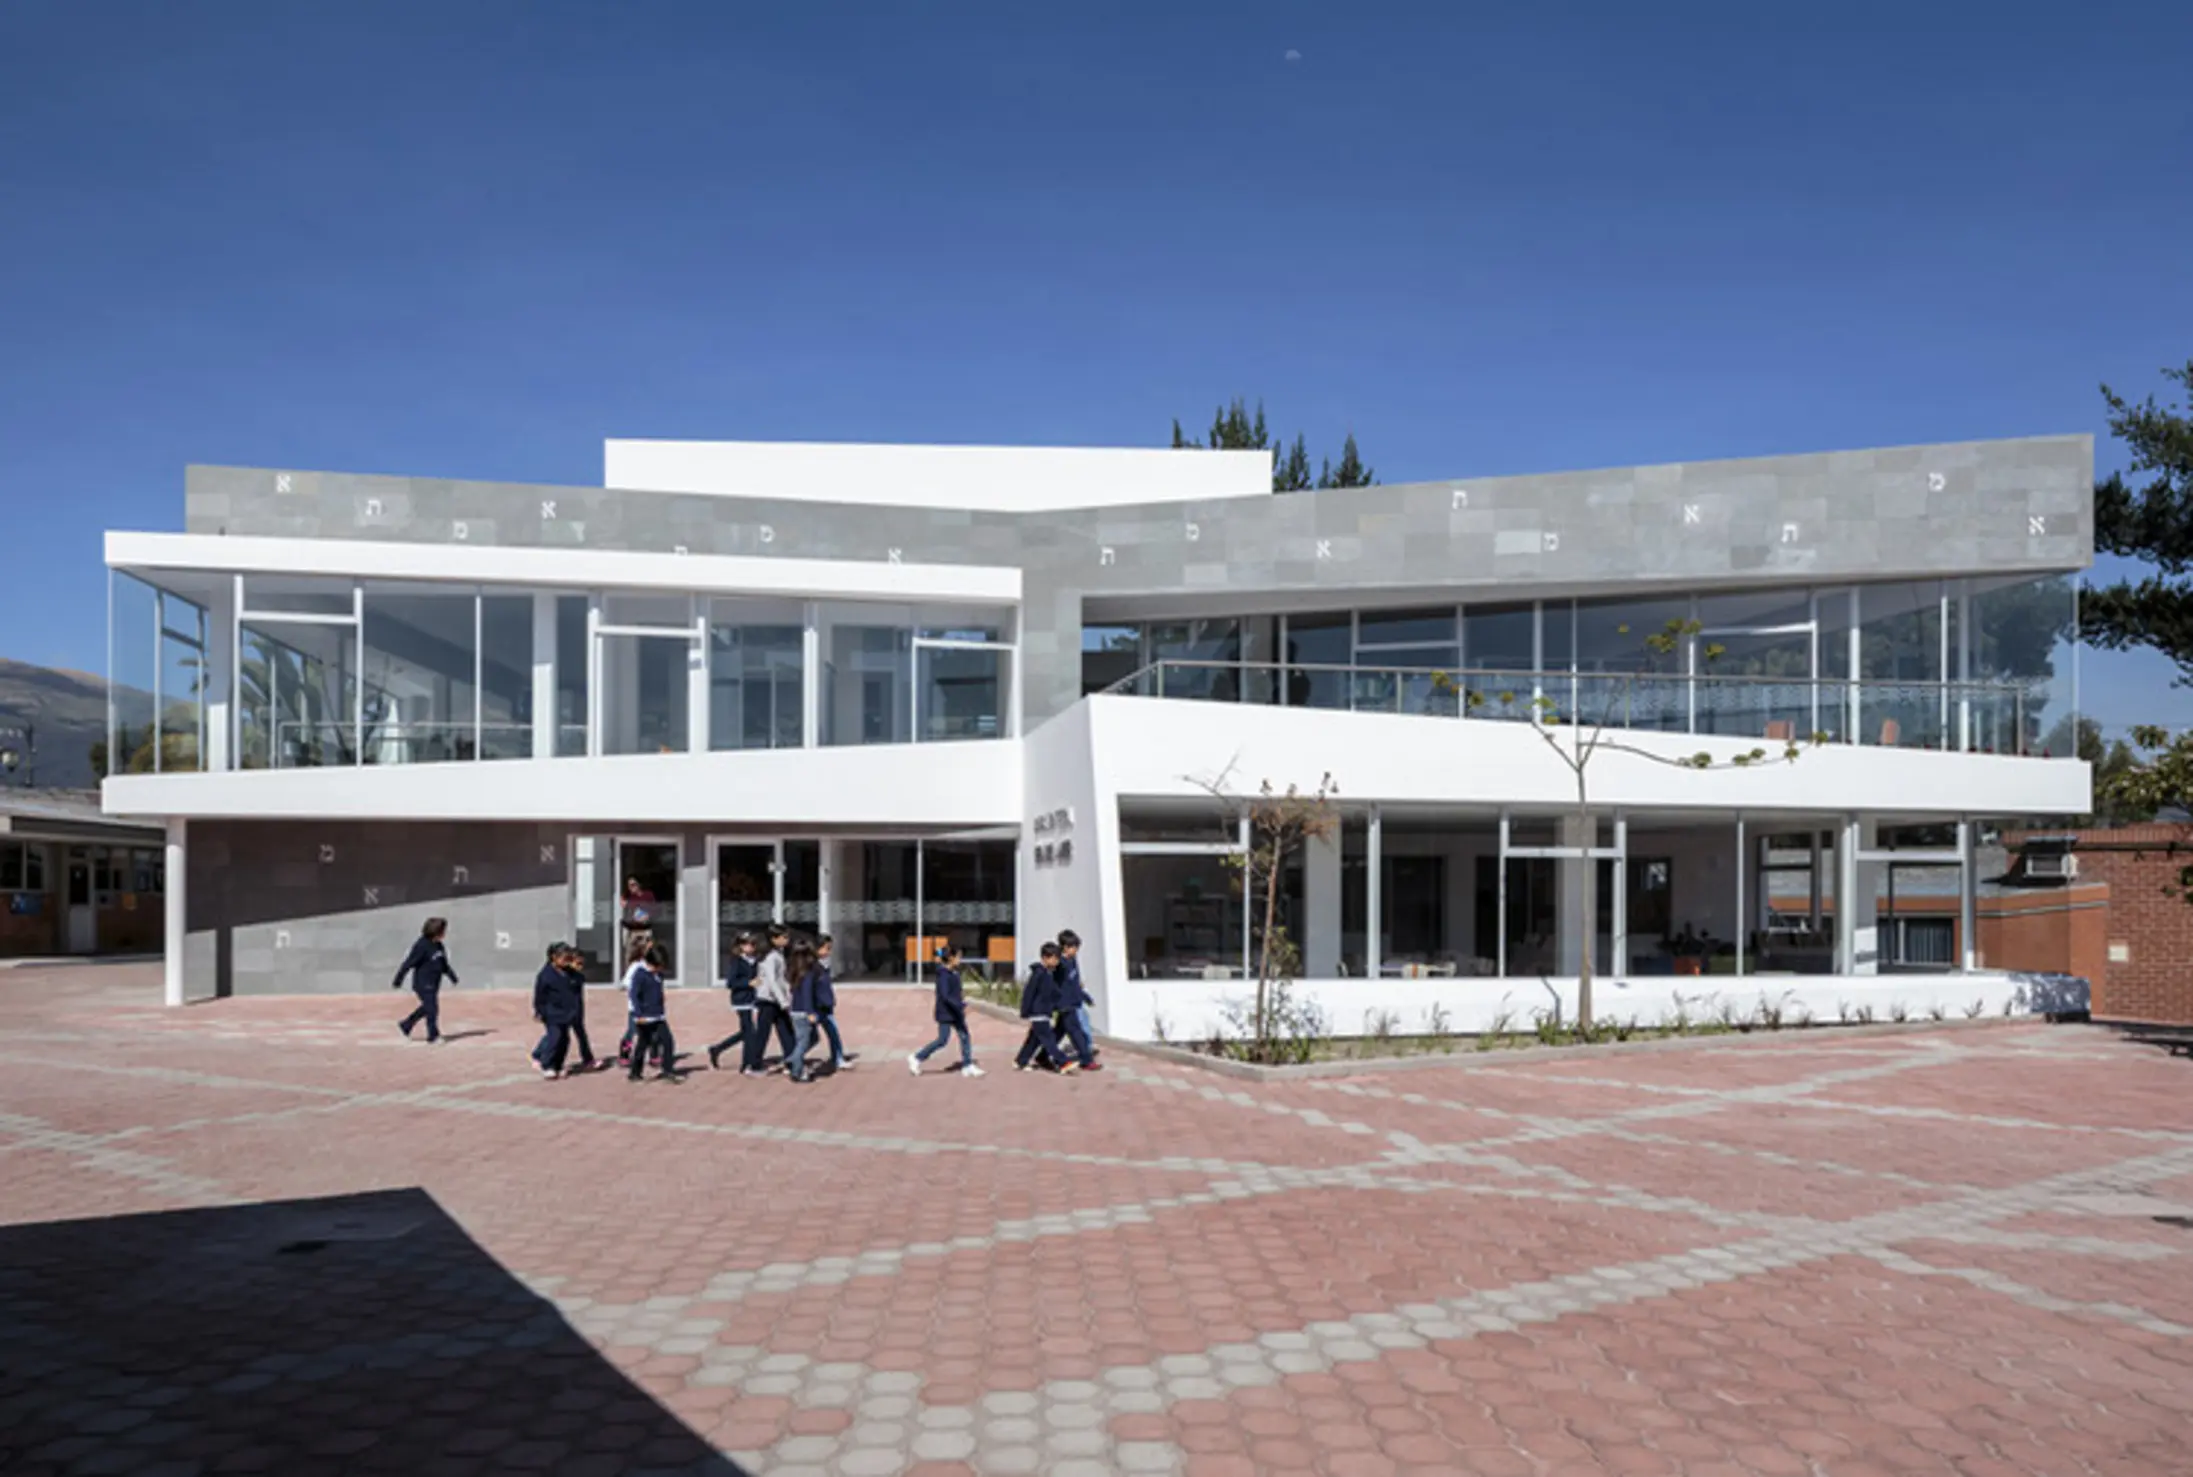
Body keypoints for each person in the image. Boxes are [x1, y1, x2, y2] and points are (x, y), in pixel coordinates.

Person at [909, 943, 983, 1077]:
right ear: (950, 958)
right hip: (946, 1013)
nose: (960, 960)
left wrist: (961, 1002)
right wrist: (961, 1006)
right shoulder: (943, 975)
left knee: (965, 1036)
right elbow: (946, 996)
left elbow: (955, 992)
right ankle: (917, 1057)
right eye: (958, 957)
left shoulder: (954, 973)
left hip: (955, 1012)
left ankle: (967, 1065)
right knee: (942, 1040)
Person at [393, 917, 459, 1043]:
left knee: (427, 1007)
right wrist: (398, 979)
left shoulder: (439, 946)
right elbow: (408, 963)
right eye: (443, 930)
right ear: (436, 931)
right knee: (432, 1009)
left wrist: (452, 976)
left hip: (434, 983)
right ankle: (433, 1036)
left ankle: (406, 1025)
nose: (445, 933)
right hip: (422, 983)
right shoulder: (421, 945)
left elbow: (443, 963)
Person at [626, 942, 684, 1084]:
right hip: (644, 1017)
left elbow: (658, 989)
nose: (658, 969)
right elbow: (633, 995)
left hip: (658, 1015)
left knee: (668, 1041)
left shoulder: (658, 975)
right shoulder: (639, 974)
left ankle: (667, 1070)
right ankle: (635, 1072)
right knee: (642, 1044)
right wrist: (638, 1014)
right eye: (656, 966)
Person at [1014, 942, 1074, 1073]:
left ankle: (1021, 1061)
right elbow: (1029, 993)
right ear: (1045, 958)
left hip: (1044, 1012)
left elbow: (1052, 993)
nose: (1057, 961)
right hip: (1038, 1013)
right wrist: (1025, 1011)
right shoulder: (1038, 974)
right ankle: (1063, 1062)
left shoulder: (1048, 974)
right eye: (1054, 958)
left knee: (1034, 1040)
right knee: (1049, 1040)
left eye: (1058, 958)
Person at [531, 941, 585, 1079]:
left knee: (564, 1040)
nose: (566, 961)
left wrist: (576, 969)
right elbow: (539, 996)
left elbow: (579, 981)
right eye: (563, 958)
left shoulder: (570, 973)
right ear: (553, 958)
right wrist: (539, 1011)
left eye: (568, 958)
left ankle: (558, 1064)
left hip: (567, 1012)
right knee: (554, 1038)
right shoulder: (546, 975)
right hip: (552, 1013)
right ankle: (547, 1065)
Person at [708, 932, 760, 1071]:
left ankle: (717, 1049)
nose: (751, 947)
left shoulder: (755, 960)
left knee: (745, 1032)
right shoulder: (737, 961)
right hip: (741, 1000)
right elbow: (731, 982)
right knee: (750, 1032)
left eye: (753, 944)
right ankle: (746, 1064)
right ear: (741, 946)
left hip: (752, 999)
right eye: (748, 944)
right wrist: (748, 983)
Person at [747, 925, 795, 1076]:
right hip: (768, 1000)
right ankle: (754, 1065)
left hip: (775, 999)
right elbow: (773, 981)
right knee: (763, 1033)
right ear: (774, 939)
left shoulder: (777, 955)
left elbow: (782, 980)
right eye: (784, 937)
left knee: (786, 1032)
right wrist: (783, 1001)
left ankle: (792, 1061)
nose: (787, 940)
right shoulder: (770, 957)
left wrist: (787, 995)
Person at [1053, 929, 1102, 1072]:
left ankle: (1041, 1055)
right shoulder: (1060, 964)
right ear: (1065, 948)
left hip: (1073, 1002)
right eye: (1074, 948)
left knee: (1057, 1033)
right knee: (1076, 1033)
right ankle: (1086, 1060)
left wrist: (1085, 997)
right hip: (1065, 1004)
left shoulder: (1073, 961)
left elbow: (1075, 983)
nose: (1076, 951)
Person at [808, 934, 856, 1071]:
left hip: (826, 1005)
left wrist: (831, 1000)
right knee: (810, 1038)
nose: (829, 952)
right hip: (816, 1006)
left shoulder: (824, 965)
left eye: (830, 949)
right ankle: (793, 1058)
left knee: (833, 1033)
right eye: (826, 948)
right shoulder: (813, 967)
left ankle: (838, 1058)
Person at [783, 938, 821, 1084]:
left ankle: (792, 1059)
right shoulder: (808, 973)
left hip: (795, 1010)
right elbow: (806, 994)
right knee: (803, 1042)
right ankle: (796, 1070)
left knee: (811, 1038)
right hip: (803, 1012)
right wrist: (810, 1012)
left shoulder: (795, 971)